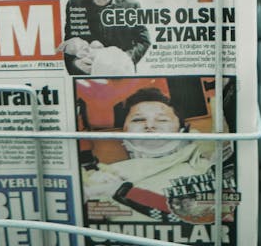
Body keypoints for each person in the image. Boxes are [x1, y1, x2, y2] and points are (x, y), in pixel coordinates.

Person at [82, 87, 234, 225]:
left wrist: (123, 191)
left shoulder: (205, 162)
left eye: (162, 120)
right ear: (124, 131)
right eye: (138, 119)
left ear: (182, 130)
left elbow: (209, 216)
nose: (149, 126)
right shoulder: (102, 177)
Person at [62, 0, 150, 74]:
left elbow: (143, 41)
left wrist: (123, 60)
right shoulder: (75, 4)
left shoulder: (131, 5)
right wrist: (75, 64)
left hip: (121, 71)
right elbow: (69, 43)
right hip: (89, 72)